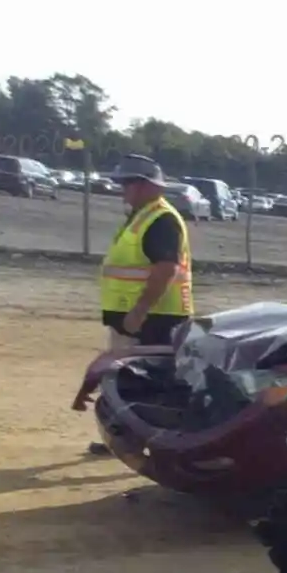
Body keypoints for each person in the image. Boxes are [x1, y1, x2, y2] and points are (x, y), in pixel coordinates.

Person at [82, 154, 194, 450]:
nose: (122, 189)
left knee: (148, 383)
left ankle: (152, 442)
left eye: (127, 183)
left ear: (145, 185)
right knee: (124, 380)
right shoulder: (142, 215)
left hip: (155, 318)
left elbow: (165, 269)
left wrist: (140, 310)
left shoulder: (161, 219)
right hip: (135, 317)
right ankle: (122, 437)